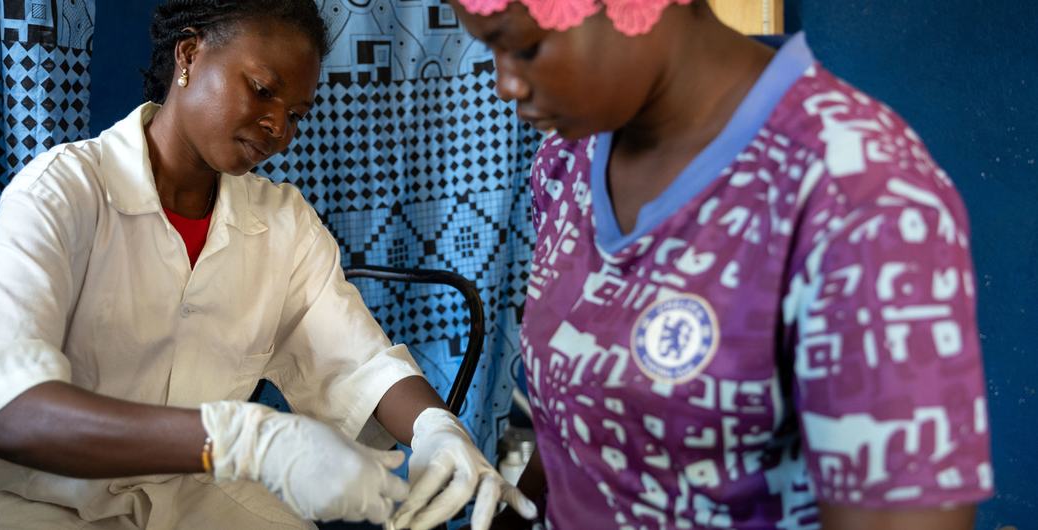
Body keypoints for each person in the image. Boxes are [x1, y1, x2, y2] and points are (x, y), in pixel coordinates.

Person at [0, 1, 536, 528]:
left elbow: (356, 361)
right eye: (261, 89)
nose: (279, 127)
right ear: (189, 53)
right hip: (43, 504)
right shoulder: (65, 191)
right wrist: (245, 441)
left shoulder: (282, 223)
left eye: (297, 113)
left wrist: (437, 429)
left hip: (198, 501)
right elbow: (7, 412)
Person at [422, 0, 995, 528]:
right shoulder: (568, 160)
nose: (504, 85)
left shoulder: (857, 200)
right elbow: (575, 429)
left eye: (522, 47)